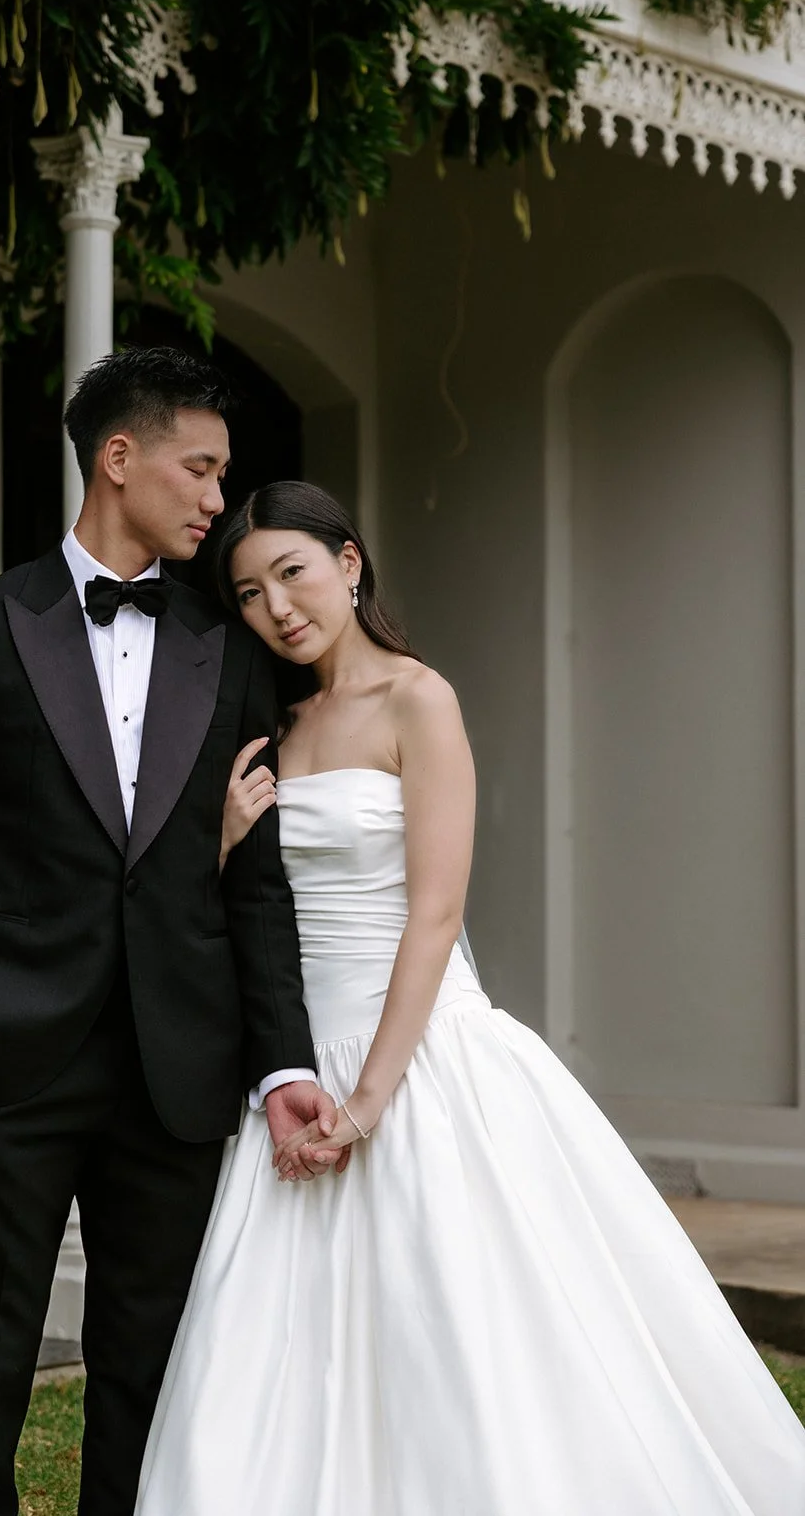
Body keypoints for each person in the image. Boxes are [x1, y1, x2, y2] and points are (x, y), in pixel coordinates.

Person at [136, 479, 805, 1516]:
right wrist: (223, 849)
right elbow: (247, 917)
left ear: (348, 564)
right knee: (284, 1334)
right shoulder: (270, 721)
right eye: (250, 591)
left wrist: (370, 1097)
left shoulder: (417, 698)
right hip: (296, 1065)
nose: (276, 606)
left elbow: (435, 914)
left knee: (460, 1312)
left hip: (420, 1050)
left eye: (292, 572)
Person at [0, 352, 338, 1516]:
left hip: (176, 1065)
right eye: (200, 468)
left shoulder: (228, 652)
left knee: (153, 1367)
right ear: (117, 459)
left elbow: (256, 880)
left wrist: (278, 1057)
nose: (214, 499)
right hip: (5, 1058)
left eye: (223, 475)